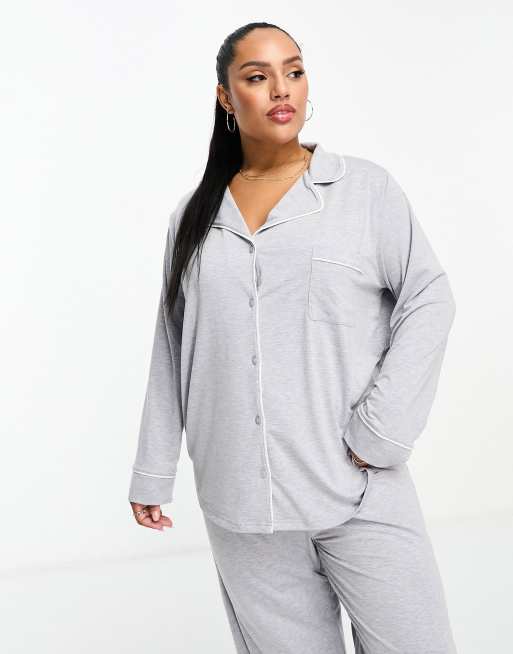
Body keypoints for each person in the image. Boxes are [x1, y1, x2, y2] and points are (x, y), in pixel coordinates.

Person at [128, 21, 458, 654]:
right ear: (226, 97)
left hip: (356, 487)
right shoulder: (193, 217)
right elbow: (173, 346)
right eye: (258, 77)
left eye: (294, 71)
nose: (282, 89)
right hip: (242, 507)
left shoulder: (364, 191)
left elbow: (429, 298)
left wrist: (380, 431)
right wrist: (153, 469)